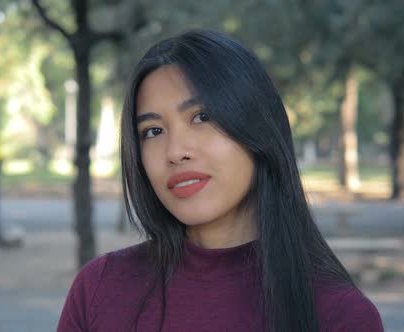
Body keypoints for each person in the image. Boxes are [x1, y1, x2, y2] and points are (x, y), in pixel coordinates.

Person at [58, 30, 383, 332]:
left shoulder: (339, 315)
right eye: (153, 131)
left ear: (257, 127)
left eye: (202, 117)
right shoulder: (99, 288)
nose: (175, 152)